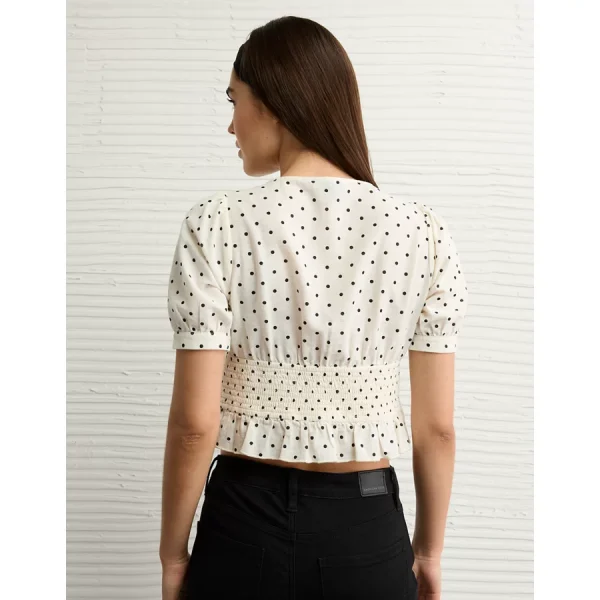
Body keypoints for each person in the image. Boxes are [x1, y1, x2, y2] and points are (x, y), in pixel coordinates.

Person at [159, 15, 468, 600]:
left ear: (275, 103)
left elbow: (195, 425)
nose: (231, 124)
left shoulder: (216, 224)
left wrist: (173, 555)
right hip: (367, 525)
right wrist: (428, 551)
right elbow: (437, 429)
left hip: (241, 524)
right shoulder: (423, 233)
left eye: (234, 100)